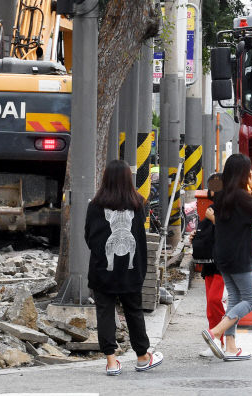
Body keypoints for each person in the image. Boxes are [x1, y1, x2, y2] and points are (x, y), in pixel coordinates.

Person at [85, 159, 163, 376]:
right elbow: (140, 237)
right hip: (130, 269)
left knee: (105, 313)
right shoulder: (139, 204)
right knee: (134, 312)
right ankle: (142, 357)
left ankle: (111, 361)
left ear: (105, 178)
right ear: (129, 179)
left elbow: (89, 237)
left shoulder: (95, 205)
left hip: (103, 269)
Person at [201, 154, 252, 361]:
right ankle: (216, 332)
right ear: (244, 174)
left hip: (222, 255)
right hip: (239, 256)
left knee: (235, 299)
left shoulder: (221, 196)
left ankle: (231, 347)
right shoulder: (241, 197)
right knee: (251, 300)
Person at [190, 173, 226, 357]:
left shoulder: (227, 209)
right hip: (209, 264)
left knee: (215, 301)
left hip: (222, 264)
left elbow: (229, 234)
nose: (213, 190)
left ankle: (223, 338)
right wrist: (195, 238)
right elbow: (206, 233)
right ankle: (216, 341)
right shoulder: (211, 208)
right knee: (211, 305)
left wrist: (214, 221)